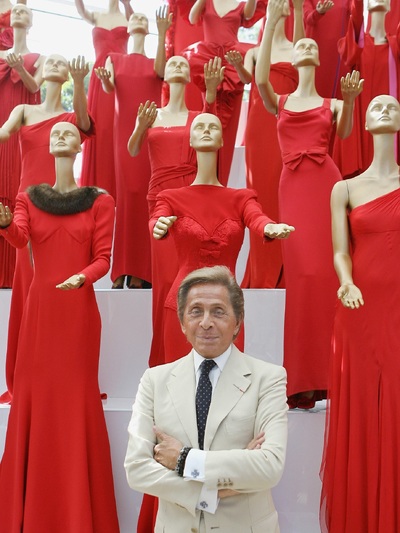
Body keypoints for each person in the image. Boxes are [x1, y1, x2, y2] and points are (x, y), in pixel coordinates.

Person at [0, 122, 119, 533]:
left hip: (78, 311)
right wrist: (4, 224)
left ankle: (78, 513)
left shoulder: (101, 201)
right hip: (39, 312)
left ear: (80, 145)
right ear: (48, 147)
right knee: (35, 398)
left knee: (75, 400)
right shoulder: (28, 197)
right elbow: (20, 239)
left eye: (69, 133)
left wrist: (82, 277)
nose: (61, 136)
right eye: (55, 134)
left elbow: (104, 259)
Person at [125, 265, 288, 533]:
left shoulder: (268, 379)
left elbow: (270, 466)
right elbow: (136, 468)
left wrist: (185, 459)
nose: (206, 323)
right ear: (182, 322)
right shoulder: (154, 381)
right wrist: (207, 494)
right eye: (196, 311)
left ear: (238, 322)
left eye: (218, 311)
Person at [256, 0, 362, 408]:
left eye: (312, 46)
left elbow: (346, 132)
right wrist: (271, 24)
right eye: (301, 45)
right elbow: (260, 79)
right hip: (292, 188)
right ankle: (303, 380)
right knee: (301, 278)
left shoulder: (332, 103)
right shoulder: (280, 102)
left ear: (318, 59)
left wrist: (349, 100)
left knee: (327, 274)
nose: (306, 47)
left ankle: (335, 375)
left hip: (326, 186)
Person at [151, 112, 294, 362]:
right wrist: (157, 224)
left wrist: (268, 227)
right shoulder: (170, 197)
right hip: (184, 304)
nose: (206, 130)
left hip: (226, 305)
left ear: (222, 140)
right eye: (200, 127)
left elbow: (256, 217)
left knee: (228, 378)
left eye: (213, 127)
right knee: (181, 378)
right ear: (190, 140)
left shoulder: (241, 198)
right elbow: (156, 217)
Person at [320, 94, 400, 533]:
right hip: (360, 306)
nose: (384, 110)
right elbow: (339, 251)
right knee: (364, 411)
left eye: (392, 106)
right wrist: (346, 282)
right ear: (364, 123)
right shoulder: (345, 189)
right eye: (376, 107)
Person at [0, 54, 92, 404]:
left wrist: (80, 84)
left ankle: (61, 372)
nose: (54, 63)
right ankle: (27, 374)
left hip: (62, 204)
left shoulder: (69, 120)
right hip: (28, 204)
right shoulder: (23, 110)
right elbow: (4, 133)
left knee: (57, 284)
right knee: (29, 284)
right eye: (49, 60)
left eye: (61, 60)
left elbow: (84, 123)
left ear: (68, 73)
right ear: (38, 72)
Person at [128, 55, 222, 368]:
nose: (179, 66)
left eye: (183, 64)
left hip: (191, 198)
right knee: (167, 281)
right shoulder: (151, 114)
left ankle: (196, 354)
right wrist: (141, 126)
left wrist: (211, 93)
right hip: (160, 201)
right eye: (173, 64)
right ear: (164, 75)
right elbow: (133, 149)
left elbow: (212, 135)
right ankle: (165, 359)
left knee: (191, 275)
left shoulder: (198, 117)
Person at [228, 0, 303, 288]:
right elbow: (247, 78)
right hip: (259, 126)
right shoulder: (255, 51)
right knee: (261, 193)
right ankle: (262, 270)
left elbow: (302, 60)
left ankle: (287, 267)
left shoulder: (297, 47)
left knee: (285, 190)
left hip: (288, 123)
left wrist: (299, 10)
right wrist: (238, 65)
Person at [95, 8, 171, 289]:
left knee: (145, 196)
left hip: (150, 133)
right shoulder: (115, 59)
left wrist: (163, 32)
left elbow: (161, 72)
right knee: (127, 196)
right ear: (126, 28)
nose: (138, 19)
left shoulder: (155, 60)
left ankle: (142, 269)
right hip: (124, 135)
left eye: (143, 18)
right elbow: (108, 88)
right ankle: (121, 268)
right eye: (134, 18)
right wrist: (105, 79)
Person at [182, 0, 267, 185]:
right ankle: (202, 181)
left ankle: (221, 184)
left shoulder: (240, 5)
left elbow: (250, 13)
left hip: (232, 63)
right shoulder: (206, 3)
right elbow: (192, 18)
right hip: (207, 60)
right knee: (206, 114)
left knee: (227, 130)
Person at [0, 3, 43, 288]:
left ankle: (16, 271)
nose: (18, 12)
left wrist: (19, 68)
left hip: (21, 129)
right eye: (14, 10)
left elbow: (35, 87)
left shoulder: (40, 57)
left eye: (24, 11)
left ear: (31, 22)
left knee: (18, 186)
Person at [333, 0, 399, 178]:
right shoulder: (357, 44)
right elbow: (355, 18)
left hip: (388, 117)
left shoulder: (396, 46)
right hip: (360, 120)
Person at [75, 0, 132, 199]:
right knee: (101, 128)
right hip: (99, 77)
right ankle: (97, 190)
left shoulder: (127, 16)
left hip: (121, 75)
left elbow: (135, 24)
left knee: (118, 129)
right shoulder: (96, 16)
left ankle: (119, 191)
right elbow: (80, 9)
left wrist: (127, 4)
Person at [303, 0, 351, 98]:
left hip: (338, 53)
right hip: (315, 52)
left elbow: (356, 16)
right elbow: (308, 18)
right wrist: (318, 12)